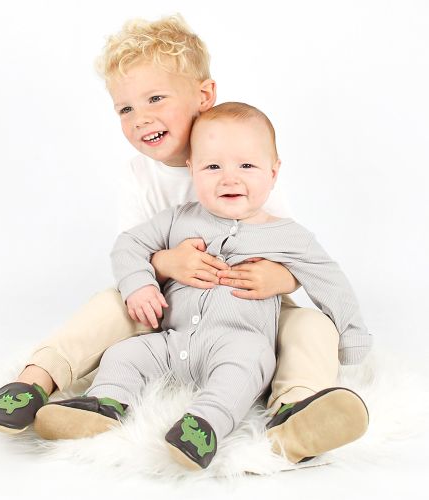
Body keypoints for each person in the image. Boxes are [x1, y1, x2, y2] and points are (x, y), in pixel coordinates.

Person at [0, 14, 369, 465]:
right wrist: (167, 266)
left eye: (155, 98)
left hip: (251, 310)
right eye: (126, 109)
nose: (141, 118)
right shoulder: (139, 175)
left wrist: (278, 278)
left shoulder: (248, 150)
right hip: (171, 306)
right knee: (112, 301)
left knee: (311, 325)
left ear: (203, 95)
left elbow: (300, 259)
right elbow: (133, 249)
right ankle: (34, 382)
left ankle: (298, 407)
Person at [33, 102, 371, 470]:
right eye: (213, 167)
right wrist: (140, 283)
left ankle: (204, 425)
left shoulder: (289, 235)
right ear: (192, 171)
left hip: (239, 342)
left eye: (246, 166)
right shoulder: (178, 219)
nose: (229, 178)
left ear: (273, 173)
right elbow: (129, 244)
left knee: (244, 368)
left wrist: (352, 341)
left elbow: (330, 281)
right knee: (123, 355)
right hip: (173, 340)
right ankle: (103, 404)